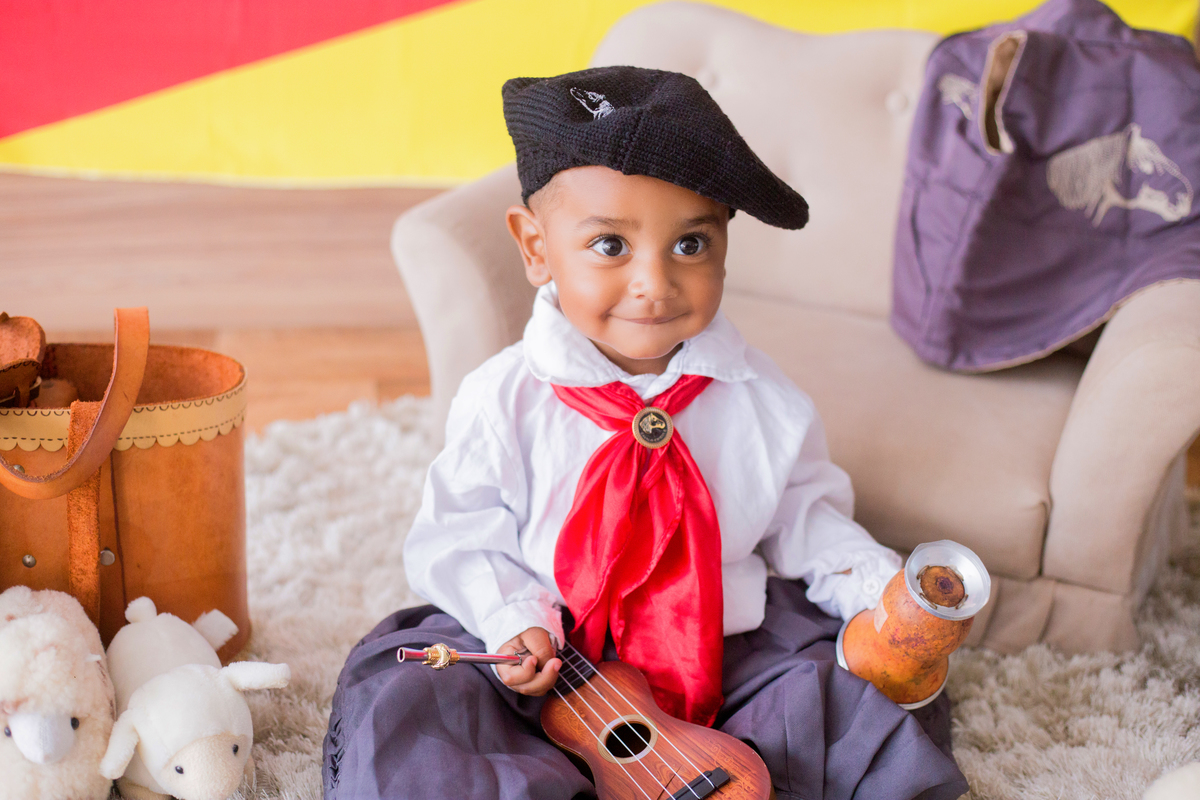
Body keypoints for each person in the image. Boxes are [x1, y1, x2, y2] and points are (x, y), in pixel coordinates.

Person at [323, 65, 968, 800]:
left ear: (726, 245)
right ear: (535, 247)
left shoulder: (765, 402)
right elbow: (459, 534)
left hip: (724, 644)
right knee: (414, 710)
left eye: (690, 246)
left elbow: (807, 520)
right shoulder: (503, 399)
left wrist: (879, 593)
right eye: (609, 246)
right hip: (546, 646)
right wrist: (511, 620)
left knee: (843, 708)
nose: (655, 284)